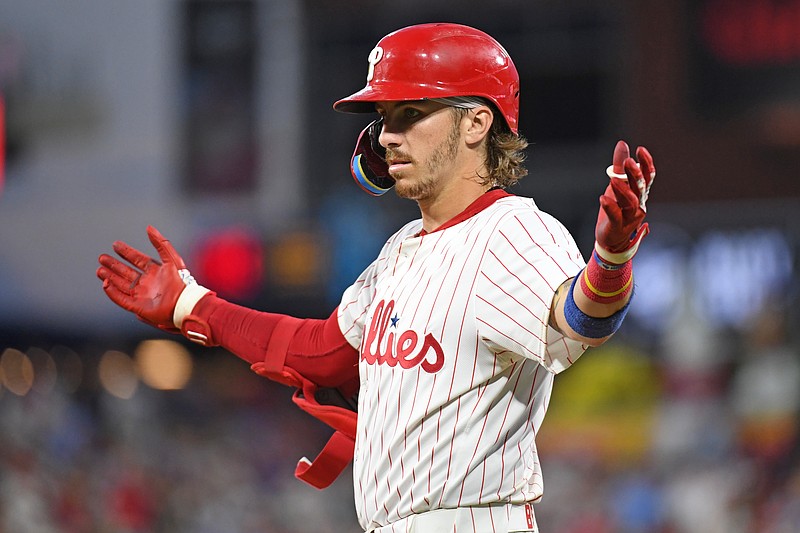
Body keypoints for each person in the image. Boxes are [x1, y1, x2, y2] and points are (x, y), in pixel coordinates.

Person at [96, 22, 655, 533]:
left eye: (410, 113)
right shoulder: (399, 252)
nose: (387, 137)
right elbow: (321, 353)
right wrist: (192, 305)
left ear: (477, 122)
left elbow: (578, 320)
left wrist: (610, 258)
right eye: (384, 119)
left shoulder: (513, 231)